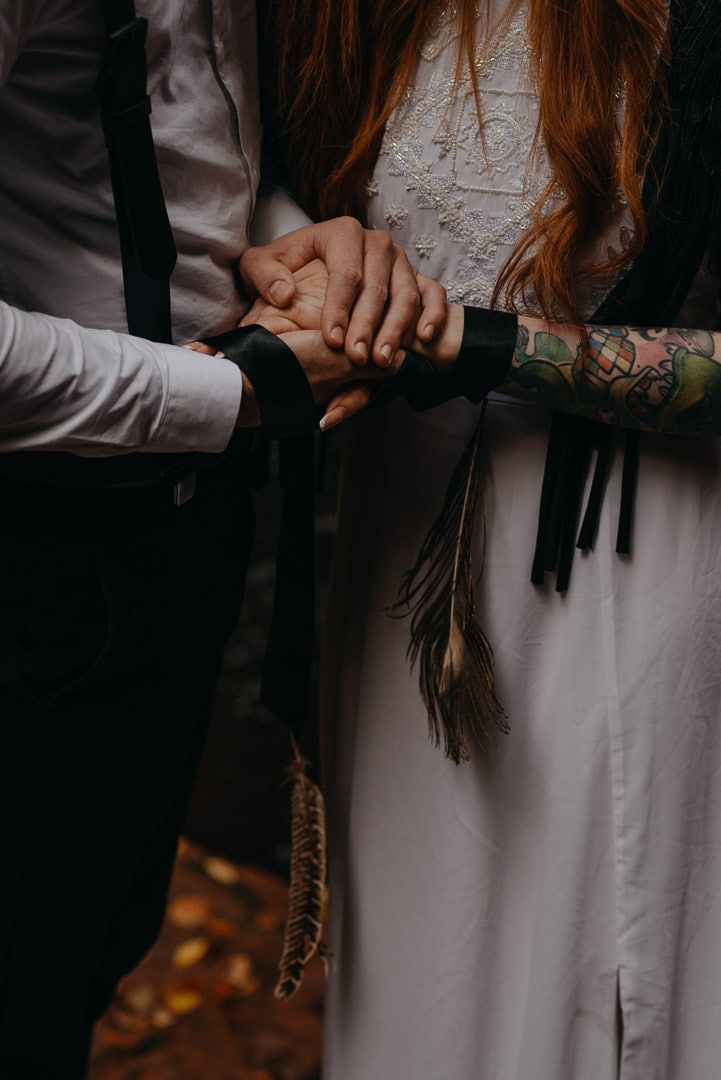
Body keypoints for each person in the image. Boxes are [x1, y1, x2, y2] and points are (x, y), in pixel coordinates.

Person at [245, 0, 721, 1075]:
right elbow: (255, 166)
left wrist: (474, 341)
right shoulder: (334, 16)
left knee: (610, 956)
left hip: (636, 542)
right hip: (401, 540)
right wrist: (308, 256)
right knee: (436, 959)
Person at [0, 2, 435, 1074]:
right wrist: (232, 391)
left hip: (181, 532)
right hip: (36, 538)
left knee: (88, 945)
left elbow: (183, 139)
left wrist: (286, 246)